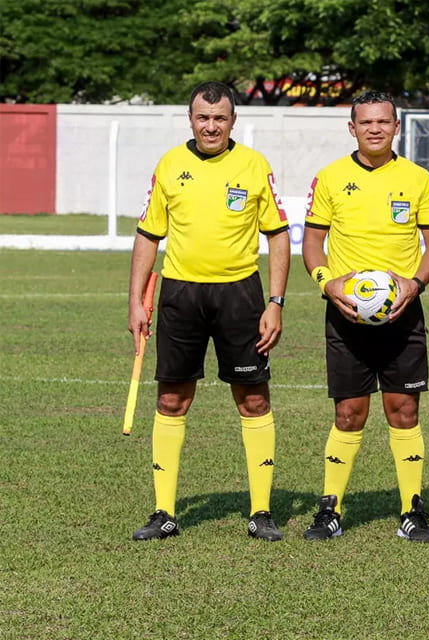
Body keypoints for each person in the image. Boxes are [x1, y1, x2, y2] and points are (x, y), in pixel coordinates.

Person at [128, 81, 291, 541]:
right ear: (191, 119)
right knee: (171, 400)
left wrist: (275, 303)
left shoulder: (254, 166)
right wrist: (136, 301)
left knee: (254, 399)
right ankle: (164, 512)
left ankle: (261, 511)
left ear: (233, 121)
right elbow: (147, 235)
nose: (211, 126)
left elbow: (278, 235)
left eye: (220, 118)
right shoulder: (170, 164)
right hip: (181, 295)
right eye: (203, 117)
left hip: (240, 295)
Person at [301, 91, 429, 543]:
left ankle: (412, 508)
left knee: (403, 409)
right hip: (346, 314)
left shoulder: (419, 179)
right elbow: (311, 242)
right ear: (352, 128)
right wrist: (327, 283)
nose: (375, 129)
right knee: (349, 411)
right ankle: (330, 508)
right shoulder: (329, 178)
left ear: (397, 126)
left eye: (383, 122)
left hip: (403, 312)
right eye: (366, 123)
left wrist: (415, 284)